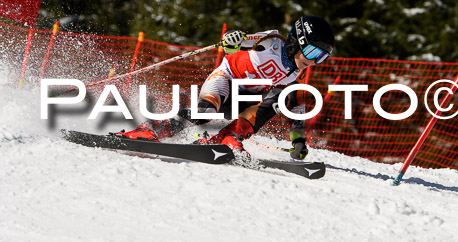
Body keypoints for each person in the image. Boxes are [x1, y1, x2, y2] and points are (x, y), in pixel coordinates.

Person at [115, 15, 335, 164]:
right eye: (315, 53)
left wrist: (298, 139)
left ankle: (229, 137)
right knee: (206, 113)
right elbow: (244, 41)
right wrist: (234, 39)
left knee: (283, 95)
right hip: (227, 78)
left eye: (322, 58)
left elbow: (296, 106)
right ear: (299, 41)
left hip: (244, 98)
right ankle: (150, 130)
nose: (316, 61)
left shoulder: (294, 73)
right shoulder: (274, 41)